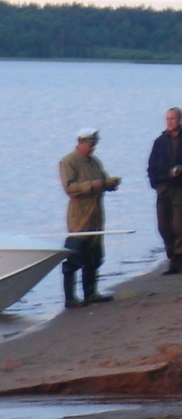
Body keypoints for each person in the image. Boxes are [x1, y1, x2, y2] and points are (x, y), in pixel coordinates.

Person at [59, 128, 121, 308]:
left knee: (95, 256)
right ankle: (70, 298)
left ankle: (91, 293)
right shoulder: (68, 162)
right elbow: (70, 188)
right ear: (81, 142)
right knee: (73, 257)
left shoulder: (95, 162)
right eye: (90, 144)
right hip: (79, 218)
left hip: (96, 216)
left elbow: (103, 180)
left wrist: (110, 184)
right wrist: (93, 185)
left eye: (94, 144)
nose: (93, 147)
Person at [147, 107, 182, 275]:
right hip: (163, 188)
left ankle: (178, 259)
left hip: (180, 188)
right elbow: (151, 166)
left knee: (178, 225)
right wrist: (155, 184)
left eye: (172, 119)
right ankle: (173, 256)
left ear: (179, 120)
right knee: (163, 226)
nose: (170, 122)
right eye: (167, 119)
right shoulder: (159, 142)